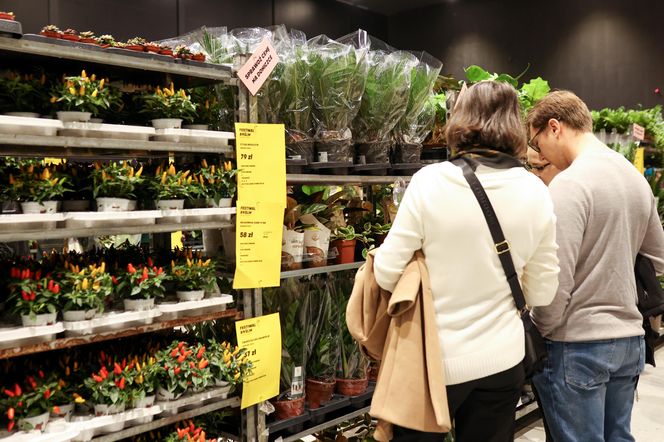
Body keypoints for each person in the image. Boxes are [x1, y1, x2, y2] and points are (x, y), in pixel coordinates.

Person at [373, 80, 560, 442]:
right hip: (503, 362)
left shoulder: (430, 182)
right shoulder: (536, 190)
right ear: (515, 125)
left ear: (459, 120)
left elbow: (385, 272)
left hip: (431, 366)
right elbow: (542, 290)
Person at [528, 91, 664, 442]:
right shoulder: (634, 178)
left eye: (537, 141)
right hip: (628, 341)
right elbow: (659, 257)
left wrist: (540, 328)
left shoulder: (569, 185)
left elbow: (557, 279)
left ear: (555, 127)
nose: (539, 154)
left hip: (577, 344)